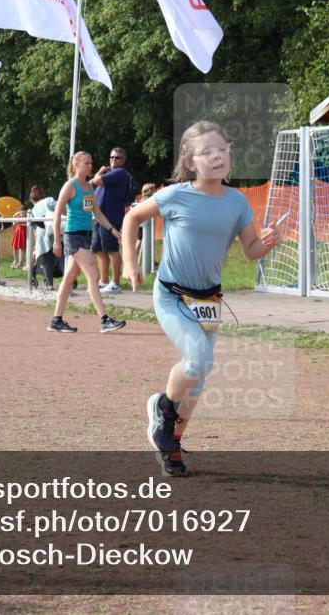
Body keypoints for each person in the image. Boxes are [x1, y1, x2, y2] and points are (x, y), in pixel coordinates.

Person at [122, 122, 282, 476]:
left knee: (200, 376)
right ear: (191, 162)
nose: (217, 156)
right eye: (207, 152)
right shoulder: (175, 195)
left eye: (222, 149)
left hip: (208, 300)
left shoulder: (238, 202)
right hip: (172, 295)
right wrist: (131, 264)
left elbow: (251, 250)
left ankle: (171, 447)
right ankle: (162, 407)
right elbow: (132, 217)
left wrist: (267, 241)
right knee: (196, 361)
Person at [48, 151, 127, 334]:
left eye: (91, 163)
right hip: (73, 236)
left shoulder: (90, 187)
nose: (90, 166)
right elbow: (58, 213)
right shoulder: (70, 185)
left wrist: (113, 230)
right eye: (86, 163)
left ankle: (56, 320)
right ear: (76, 165)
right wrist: (57, 241)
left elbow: (97, 212)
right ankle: (104, 320)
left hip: (86, 236)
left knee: (68, 279)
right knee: (93, 274)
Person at [90, 147, 134, 294]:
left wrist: (100, 171)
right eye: (112, 157)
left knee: (111, 250)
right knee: (99, 250)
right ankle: (104, 281)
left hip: (110, 217)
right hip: (98, 218)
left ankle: (115, 283)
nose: (114, 160)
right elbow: (91, 184)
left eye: (118, 158)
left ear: (124, 160)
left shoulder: (120, 173)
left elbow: (95, 180)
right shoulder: (110, 173)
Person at [29, 186, 59, 289]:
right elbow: (60, 208)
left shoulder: (32, 211)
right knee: (63, 256)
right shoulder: (49, 200)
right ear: (43, 194)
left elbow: (34, 231)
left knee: (47, 259)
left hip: (43, 236)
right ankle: (69, 281)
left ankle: (49, 284)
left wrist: (35, 248)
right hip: (57, 231)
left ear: (31, 199)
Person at [135, 183, 158, 260]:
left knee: (143, 242)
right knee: (140, 242)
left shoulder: (142, 199)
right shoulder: (149, 199)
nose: (155, 191)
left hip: (142, 224)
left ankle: (151, 260)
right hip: (145, 225)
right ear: (150, 190)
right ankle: (133, 258)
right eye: (154, 189)